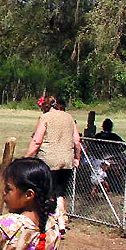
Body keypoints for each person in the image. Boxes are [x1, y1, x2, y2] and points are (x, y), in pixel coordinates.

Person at [25, 94, 81, 236]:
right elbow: (76, 141)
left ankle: (47, 222)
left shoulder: (45, 118)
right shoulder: (69, 118)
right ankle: (61, 221)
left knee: (47, 192)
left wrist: (26, 158)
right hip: (66, 160)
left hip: (49, 160)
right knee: (60, 192)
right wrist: (77, 157)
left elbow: (37, 141)